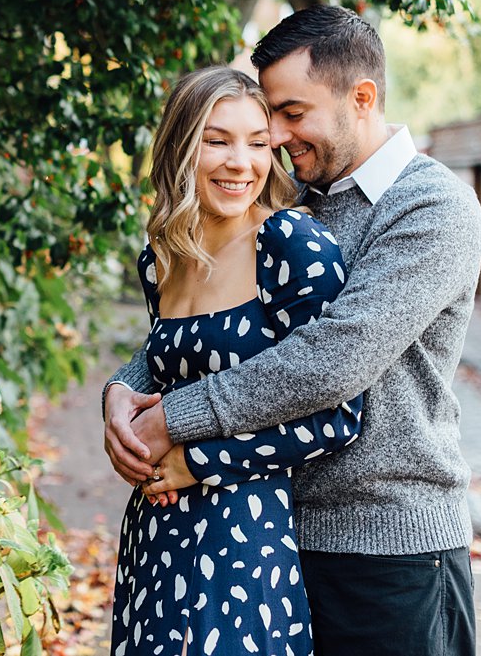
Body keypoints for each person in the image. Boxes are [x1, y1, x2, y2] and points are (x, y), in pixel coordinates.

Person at [104, 6, 481, 656]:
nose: (275, 135)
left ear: (360, 98)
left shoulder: (429, 206)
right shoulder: (298, 205)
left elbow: (332, 358)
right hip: (281, 535)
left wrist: (173, 421)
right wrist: (122, 387)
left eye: (291, 112)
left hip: (390, 551)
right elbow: (215, 332)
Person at [107, 64, 365, 656]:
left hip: (243, 544)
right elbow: (162, 360)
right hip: (154, 536)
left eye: (256, 143)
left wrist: (200, 461)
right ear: (180, 146)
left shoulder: (290, 244)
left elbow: (337, 414)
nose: (240, 163)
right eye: (217, 140)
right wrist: (116, 396)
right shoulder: (161, 256)